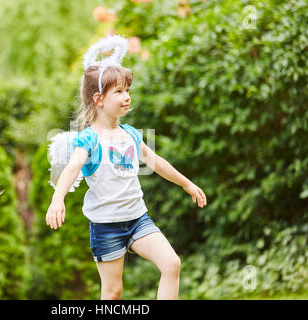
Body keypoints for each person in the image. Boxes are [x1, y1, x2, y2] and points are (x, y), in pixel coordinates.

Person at [46, 35, 207, 300]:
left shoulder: (130, 133)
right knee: (113, 293)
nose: (127, 97)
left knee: (171, 264)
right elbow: (73, 167)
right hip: (106, 225)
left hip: (137, 218)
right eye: (119, 92)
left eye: (127, 90)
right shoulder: (89, 138)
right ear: (99, 99)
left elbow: (156, 162)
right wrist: (57, 198)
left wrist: (187, 183)